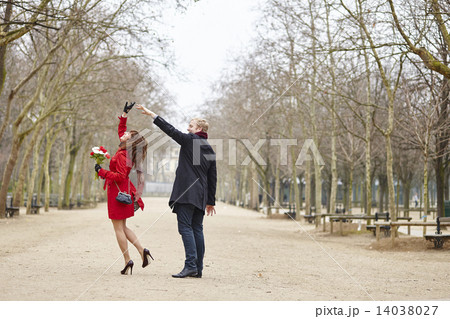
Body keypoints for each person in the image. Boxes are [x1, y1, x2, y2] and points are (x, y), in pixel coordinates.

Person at [136, 104, 217, 279]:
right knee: (197, 228)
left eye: (190, 126)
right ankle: (198, 268)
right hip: (201, 195)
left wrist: (153, 115)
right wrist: (210, 201)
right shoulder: (209, 148)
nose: (187, 129)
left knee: (185, 228)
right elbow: (212, 177)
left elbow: (170, 130)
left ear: (199, 129)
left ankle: (190, 266)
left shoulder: (190, 140)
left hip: (187, 193)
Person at [95, 102, 153, 275]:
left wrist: (102, 171)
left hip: (118, 192)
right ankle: (143, 251)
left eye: (128, 134)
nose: (124, 134)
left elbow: (120, 175)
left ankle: (128, 260)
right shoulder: (125, 149)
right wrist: (124, 114)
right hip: (123, 190)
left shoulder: (124, 155)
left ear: (131, 141)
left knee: (118, 228)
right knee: (124, 227)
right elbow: (121, 131)